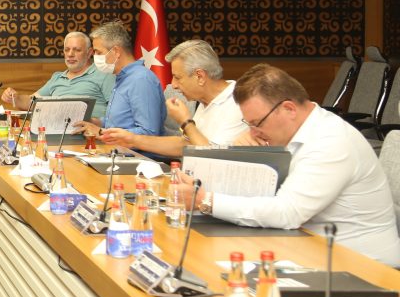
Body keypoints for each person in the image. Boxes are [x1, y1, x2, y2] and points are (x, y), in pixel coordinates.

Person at [170, 63, 400, 267]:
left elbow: (287, 212)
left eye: (257, 123)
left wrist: (205, 200)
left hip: (362, 267)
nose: (252, 132)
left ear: (289, 109)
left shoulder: (331, 140)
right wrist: (241, 157)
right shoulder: (294, 132)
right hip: (309, 247)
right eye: (248, 124)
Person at [98, 40, 249, 157]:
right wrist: (132, 139)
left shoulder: (238, 102)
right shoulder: (204, 101)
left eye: (178, 77)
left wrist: (186, 123)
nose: (173, 85)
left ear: (200, 76)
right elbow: (186, 144)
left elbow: (212, 157)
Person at [78, 21, 166, 142]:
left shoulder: (141, 79)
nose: (95, 57)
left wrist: (100, 132)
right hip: (117, 148)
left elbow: (149, 133)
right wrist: (95, 122)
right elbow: (120, 122)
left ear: (116, 51)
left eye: (99, 52)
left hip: (136, 153)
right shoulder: (122, 77)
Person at [1, 31, 114, 118]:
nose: (70, 54)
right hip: (56, 130)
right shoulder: (57, 77)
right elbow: (32, 102)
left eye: (77, 50)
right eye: (67, 50)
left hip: (89, 134)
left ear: (89, 53)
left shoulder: (104, 74)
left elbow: (116, 111)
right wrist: (15, 98)